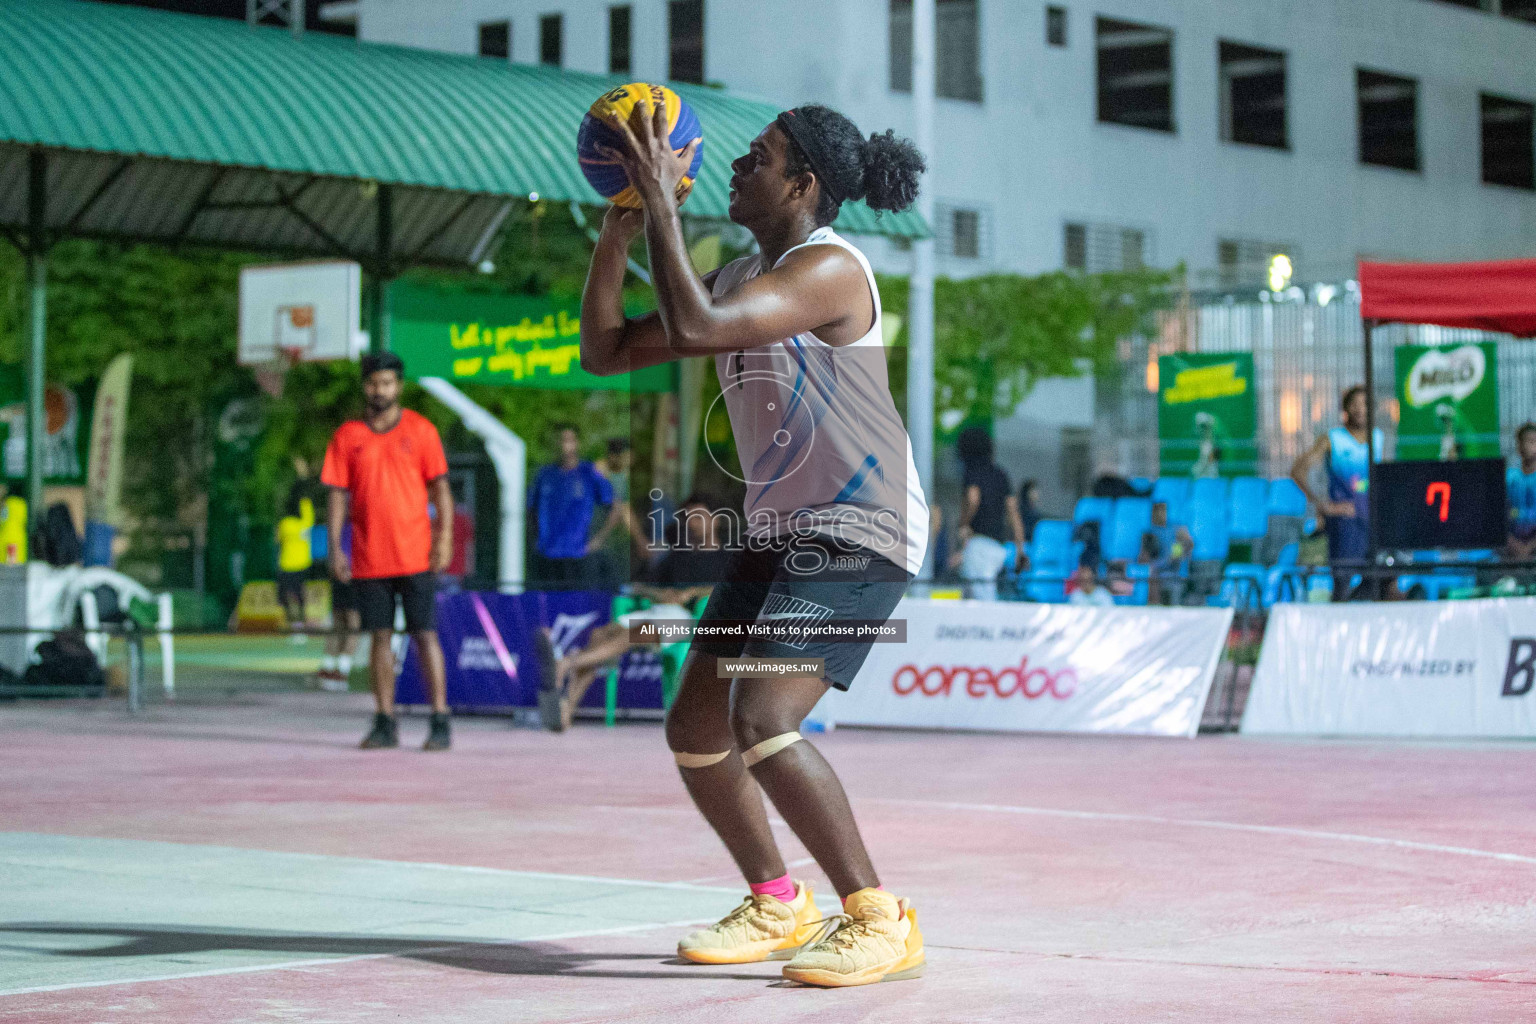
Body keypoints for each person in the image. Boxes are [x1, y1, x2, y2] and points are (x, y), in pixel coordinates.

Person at [581, 100, 928, 986]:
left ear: (803, 183)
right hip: (779, 531)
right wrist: (620, 229)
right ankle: (777, 899)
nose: (734, 166)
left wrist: (661, 200)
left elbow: (696, 327)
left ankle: (879, 918)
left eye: (758, 157)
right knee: (696, 727)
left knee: (763, 718)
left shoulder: (830, 272)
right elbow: (608, 350)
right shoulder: (743, 272)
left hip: (861, 528)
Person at [321, 352, 453, 751]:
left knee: (424, 634)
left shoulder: (422, 430)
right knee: (378, 637)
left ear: (399, 385)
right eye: (373, 383)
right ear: (365, 386)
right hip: (369, 556)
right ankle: (384, 719)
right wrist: (334, 547)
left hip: (416, 555)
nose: (380, 390)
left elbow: (441, 491)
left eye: (387, 383)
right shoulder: (347, 436)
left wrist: (444, 538)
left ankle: (440, 718)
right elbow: (337, 496)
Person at [546, 494, 731, 731]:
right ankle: (566, 710)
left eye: (699, 517)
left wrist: (693, 592)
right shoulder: (677, 557)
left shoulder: (727, 558)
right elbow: (640, 585)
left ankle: (567, 663)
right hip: (660, 611)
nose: (692, 523)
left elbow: (734, 588)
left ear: (715, 521)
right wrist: (660, 595)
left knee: (634, 633)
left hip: (691, 622)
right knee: (599, 636)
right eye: (689, 518)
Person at [1290, 385, 1385, 599]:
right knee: (1342, 584)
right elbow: (1298, 470)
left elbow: (1382, 476)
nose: (1360, 409)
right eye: (1355, 404)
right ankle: (1339, 619)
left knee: (1383, 577)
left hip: (1373, 519)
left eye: (1365, 404)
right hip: (1345, 524)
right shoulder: (1332, 439)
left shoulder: (1378, 438)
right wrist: (1321, 504)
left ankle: (1357, 612)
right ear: (1346, 409)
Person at [529, 424, 623, 589]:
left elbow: (615, 508)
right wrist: (538, 537)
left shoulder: (588, 473)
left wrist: (598, 540)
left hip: (578, 556)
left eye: (569, 440)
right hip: (547, 556)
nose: (564, 445)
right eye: (560, 440)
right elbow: (531, 509)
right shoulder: (545, 474)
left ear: (577, 443)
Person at [954, 427, 1027, 601]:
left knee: (981, 599)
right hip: (998, 546)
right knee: (976, 595)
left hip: (979, 544)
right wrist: (1020, 550)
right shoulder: (1001, 474)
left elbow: (973, 498)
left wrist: (963, 523)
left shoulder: (971, 473)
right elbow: (1013, 512)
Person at [593, 437, 648, 588]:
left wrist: (640, 539)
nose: (631, 462)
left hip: (606, 540)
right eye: (627, 458)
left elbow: (624, 508)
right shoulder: (597, 472)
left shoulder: (621, 474)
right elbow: (620, 509)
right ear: (613, 456)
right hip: (592, 538)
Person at [316, 521, 359, 692]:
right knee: (354, 626)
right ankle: (342, 669)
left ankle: (327, 666)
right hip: (353, 576)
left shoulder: (337, 525)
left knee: (339, 624)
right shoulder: (358, 525)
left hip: (337, 576)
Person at [274, 488, 314, 643]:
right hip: (299, 566)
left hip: (287, 565)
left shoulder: (285, 524)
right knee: (299, 598)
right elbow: (307, 508)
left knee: (287, 599)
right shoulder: (306, 522)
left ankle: (297, 627)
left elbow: (277, 539)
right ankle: (299, 627)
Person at [1138, 500, 1193, 605]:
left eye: (1163, 511)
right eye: (1157, 511)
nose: (1160, 514)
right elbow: (1143, 558)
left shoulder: (1177, 530)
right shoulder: (1149, 533)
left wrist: (1184, 546)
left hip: (1174, 575)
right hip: (1156, 575)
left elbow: (1185, 549)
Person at [1508, 422, 1536, 562]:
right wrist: (1513, 544)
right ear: (1518, 446)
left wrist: (1530, 547)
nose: (1528, 446)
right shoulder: (1509, 478)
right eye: (1523, 442)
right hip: (1511, 547)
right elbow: (1498, 516)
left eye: (1532, 441)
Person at [1017, 479, 1042, 545]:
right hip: (1025, 542)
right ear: (1027, 492)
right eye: (1034, 491)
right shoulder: (1023, 510)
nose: (1037, 493)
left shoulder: (1034, 510)